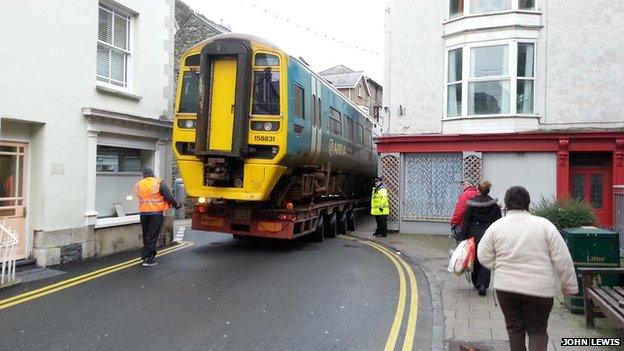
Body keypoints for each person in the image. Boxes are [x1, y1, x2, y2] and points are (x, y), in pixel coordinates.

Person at [477, 186, 578, 351]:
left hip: (506, 288)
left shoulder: (497, 227)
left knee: (514, 330)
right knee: (537, 331)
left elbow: (483, 254)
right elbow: (563, 258)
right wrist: (569, 286)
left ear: (506, 204)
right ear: (528, 203)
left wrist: (498, 266)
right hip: (539, 290)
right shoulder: (545, 225)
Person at [459, 180, 501, 296]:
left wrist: (462, 239)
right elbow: (498, 222)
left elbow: (466, 222)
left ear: (478, 190)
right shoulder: (494, 206)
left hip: (473, 234)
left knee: (475, 258)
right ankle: (483, 284)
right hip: (488, 233)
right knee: (486, 258)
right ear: (488, 190)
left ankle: (476, 282)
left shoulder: (471, 204)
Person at [134, 166, 180, 267]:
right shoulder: (158, 183)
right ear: (152, 173)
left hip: (143, 213)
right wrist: (176, 205)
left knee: (147, 235)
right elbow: (168, 196)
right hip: (155, 213)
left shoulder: (139, 184)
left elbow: (138, 195)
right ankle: (148, 258)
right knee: (152, 235)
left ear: (143, 174)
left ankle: (146, 255)